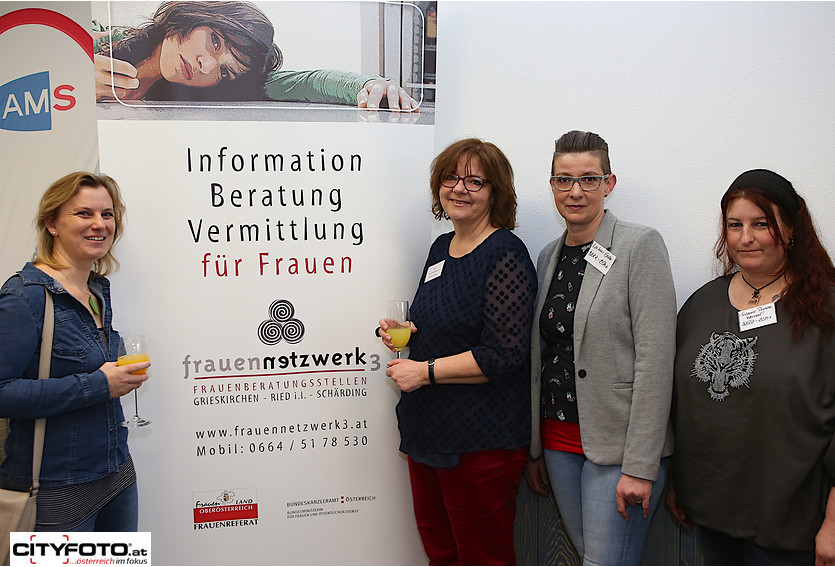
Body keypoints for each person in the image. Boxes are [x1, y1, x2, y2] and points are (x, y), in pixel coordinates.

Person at [666, 169, 835, 565]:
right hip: (711, 511)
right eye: (735, 225)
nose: (745, 237)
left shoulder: (832, 311)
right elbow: (684, 404)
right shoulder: (702, 304)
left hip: (794, 523)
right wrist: (680, 481)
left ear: (791, 229)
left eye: (761, 224)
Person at [377, 138, 537, 565]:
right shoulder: (440, 249)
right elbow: (448, 325)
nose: (459, 188)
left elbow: (503, 353)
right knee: (441, 555)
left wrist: (424, 370)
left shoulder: (505, 253)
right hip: (428, 431)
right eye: (450, 177)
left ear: (495, 192)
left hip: (480, 443)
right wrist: (408, 333)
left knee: (482, 558)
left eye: (474, 181)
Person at [523, 131, 676, 565]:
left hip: (619, 448)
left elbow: (655, 360)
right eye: (564, 180)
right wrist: (536, 449)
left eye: (589, 179)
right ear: (552, 185)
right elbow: (543, 356)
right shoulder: (548, 256)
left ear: (609, 183)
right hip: (558, 442)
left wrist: (641, 465)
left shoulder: (639, 245)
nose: (576, 192)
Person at [0, 172, 150, 531]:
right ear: (52, 223)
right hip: (55, 491)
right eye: (84, 213)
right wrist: (99, 385)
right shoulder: (25, 296)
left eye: (107, 214)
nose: (100, 224)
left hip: (117, 476)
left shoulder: (97, 291)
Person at [93, 0, 419, 111]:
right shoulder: (96, 41)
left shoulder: (194, 96)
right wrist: (72, 79)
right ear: (196, 17)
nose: (206, 65)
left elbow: (308, 82)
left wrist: (370, 85)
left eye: (224, 72)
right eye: (215, 41)